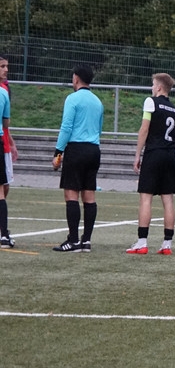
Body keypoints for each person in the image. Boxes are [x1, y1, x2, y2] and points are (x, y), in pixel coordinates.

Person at [126, 73, 175, 255]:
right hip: (169, 156)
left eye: (153, 84)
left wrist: (137, 155)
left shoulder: (151, 102)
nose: (151, 88)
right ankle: (167, 244)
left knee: (146, 197)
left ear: (159, 87)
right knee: (168, 200)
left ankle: (142, 242)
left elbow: (144, 129)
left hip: (154, 153)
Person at [52, 64, 104, 252]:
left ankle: (73, 240)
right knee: (89, 195)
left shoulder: (72, 99)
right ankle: (86, 241)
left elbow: (66, 127)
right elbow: (99, 129)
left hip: (76, 149)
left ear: (76, 78)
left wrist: (58, 152)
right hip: (93, 150)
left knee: (71, 194)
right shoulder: (98, 102)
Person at [0, 56, 18, 223]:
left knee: (5, 185)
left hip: (3, 142)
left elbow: (5, 123)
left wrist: (11, 143)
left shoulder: (5, 90)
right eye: (2, 66)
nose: (6, 69)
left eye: (7, 66)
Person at [0, 59, 12, 247]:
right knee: (1, 191)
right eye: (2, 66)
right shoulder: (3, 92)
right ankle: (3, 235)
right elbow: (6, 122)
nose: (6, 70)